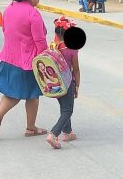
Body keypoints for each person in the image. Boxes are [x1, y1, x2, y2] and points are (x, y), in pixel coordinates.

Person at [0, 0, 48, 140]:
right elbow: (40, 40)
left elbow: (5, 30)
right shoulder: (33, 13)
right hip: (27, 60)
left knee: (11, 92)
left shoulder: (10, 9)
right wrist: (45, 60)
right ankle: (30, 128)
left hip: (9, 56)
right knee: (32, 95)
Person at [46, 16, 81, 149]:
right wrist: (77, 85)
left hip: (55, 83)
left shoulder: (52, 46)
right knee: (68, 110)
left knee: (64, 107)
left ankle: (67, 132)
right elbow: (76, 69)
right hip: (67, 82)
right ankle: (54, 134)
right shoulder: (72, 48)